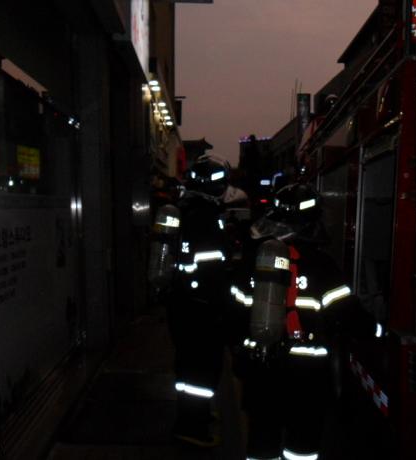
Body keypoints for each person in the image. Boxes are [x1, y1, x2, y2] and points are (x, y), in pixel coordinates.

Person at [231, 182, 374, 460]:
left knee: (262, 437)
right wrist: (377, 331)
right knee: (302, 440)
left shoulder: (253, 260)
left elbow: (233, 313)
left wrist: (242, 353)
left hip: (260, 367)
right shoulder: (322, 265)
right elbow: (347, 314)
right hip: (307, 374)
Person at [149, 154, 236, 447]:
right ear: (217, 185)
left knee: (187, 366)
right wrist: (225, 305)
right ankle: (193, 427)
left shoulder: (186, 209)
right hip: (201, 308)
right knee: (203, 368)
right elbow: (212, 270)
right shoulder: (205, 217)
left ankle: (192, 415)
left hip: (182, 303)